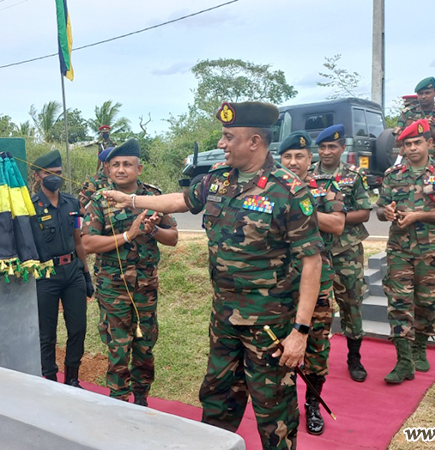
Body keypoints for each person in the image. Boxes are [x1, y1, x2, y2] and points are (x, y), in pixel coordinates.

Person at [102, 101, 323, 450]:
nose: (221, 143)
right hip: (223, 320)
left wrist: (300, 332)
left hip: (269, 325)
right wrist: (131, 202)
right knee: (217, 402)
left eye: (228, 136)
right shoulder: (218, 180)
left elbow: (312, 261)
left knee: (273, 411)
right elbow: (178, 201)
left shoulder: (289, 190)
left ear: (254, 141)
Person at [82, 138, 178, 406]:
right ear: (108, 170)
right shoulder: (100, 201)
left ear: (140, 168)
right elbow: (88, 243)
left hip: (146, 287)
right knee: (118, 347)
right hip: (114, 289)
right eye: (115, 165)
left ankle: (142, 398)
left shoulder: (153, 198)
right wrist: (129, 234)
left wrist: (153, 231)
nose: (121, 169)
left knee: (145, 345)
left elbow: (173, 238)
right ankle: (119, 401)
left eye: (127, 164)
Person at [376, 119, 435, 384]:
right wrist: (387, 212)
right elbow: (380, 209)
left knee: (428, 301)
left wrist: (419, 216)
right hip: (399, 249)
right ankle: (404, 361)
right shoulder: (394, 175)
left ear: (429, 143)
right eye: (407, 143)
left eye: (417, 142)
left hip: (432, 249)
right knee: (398, 302)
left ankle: (420, 347)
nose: (412, 148)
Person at [279, 130, 345, 436]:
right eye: (287, 157)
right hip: (280, 284)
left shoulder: (326, 187)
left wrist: (298, 209)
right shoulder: (270, 189)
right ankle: (283, 404)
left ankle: (313, 403)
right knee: (281, 347)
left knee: (316, 348)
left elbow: (337, 223)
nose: (293, 162)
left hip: (317, 282)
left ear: (310, 160)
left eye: (299, 157)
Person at [310, 124, 372, 383]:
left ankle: (354, 357)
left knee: (351, 304)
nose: (326, 152)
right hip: (317, 251)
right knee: (317, 305)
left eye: (332, 147)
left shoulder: (353, 175)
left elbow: (365, 211)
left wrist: (336, 218)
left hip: (346, 250)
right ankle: (314, 357)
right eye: (322, 147)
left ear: (342, 148)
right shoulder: (307, 175)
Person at [30, 149, 93, 386]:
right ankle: (49, 377)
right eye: (50, 173)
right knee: (47, 333)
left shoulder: (73, 203)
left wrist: (86, 275)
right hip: (46, 275)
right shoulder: (30, 207)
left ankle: (72, 378)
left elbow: (78, 240)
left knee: (77, 329)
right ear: (38, 176)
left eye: (58, 173)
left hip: (73, 273)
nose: (55, 177)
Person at [396, 77, 435, 163]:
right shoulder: (408, 113)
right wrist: (416, 128)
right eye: (420, 94)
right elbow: (397, 141)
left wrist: (431, 131)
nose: (424, 96)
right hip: (411, 162)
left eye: (427, 93)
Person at [78, 146, 113, 214]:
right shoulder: (94, 182)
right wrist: (92, 218)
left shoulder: (123, 180)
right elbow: (79, 206)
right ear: (106, 164)